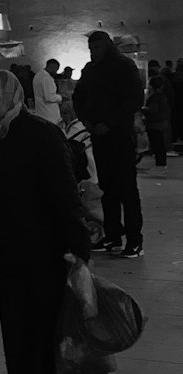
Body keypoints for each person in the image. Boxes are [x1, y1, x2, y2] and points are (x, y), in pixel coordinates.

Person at [0, 71, 108, 374]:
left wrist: (77, 250)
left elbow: (63, 197)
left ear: (6, 96)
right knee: (17, 330)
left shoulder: (42, 136)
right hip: (6, 255)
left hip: (43, 254)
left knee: (50, 331)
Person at [73, 31, 145, 257]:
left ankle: (134, 240)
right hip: (99, 135)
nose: (93, 53)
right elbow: (79, 97)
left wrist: (110, 123)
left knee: (126, 189)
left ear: (107, 47)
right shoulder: (90, 70)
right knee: (108, 189)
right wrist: (86, 120)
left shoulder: (124, 67)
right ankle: (113, 235)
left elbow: (134, 99)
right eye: (91, 49)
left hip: (120, 136)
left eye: (97, 48)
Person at [143, 76, 172, 169]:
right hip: (161, 123)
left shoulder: (155, 97)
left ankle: (160, 166)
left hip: (155, 124)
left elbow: (153, 110)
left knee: (157, 145)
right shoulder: (161, 96)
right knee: (159, 145)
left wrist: (141, 109)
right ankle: (161, 165)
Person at [32, 58, 62, 125]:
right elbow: (49, 97)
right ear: (52, 66)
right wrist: (61, 97)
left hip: (41, 111)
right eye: (56, 69)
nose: (56, 72)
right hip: (49, 113)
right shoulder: (47, 78)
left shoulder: (38, 75)